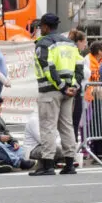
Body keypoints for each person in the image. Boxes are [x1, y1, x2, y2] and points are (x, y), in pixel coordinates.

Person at [30, 12, 81, 177]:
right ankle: (69, 165)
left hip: (50, 90)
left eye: (41, 27)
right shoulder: (70, 44)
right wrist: (73, 86)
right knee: (67, 127)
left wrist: (61, 87)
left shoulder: (43, 43)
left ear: (45, 26)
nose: (40, 30)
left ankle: (48, 165)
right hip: (69, 91)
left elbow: (47, 67)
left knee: (48, 127)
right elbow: (79, 66)